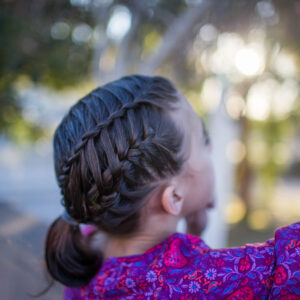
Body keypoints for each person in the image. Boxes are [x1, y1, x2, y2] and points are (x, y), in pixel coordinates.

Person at [44, 74, 300, 299]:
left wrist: (192, 230)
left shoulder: (85, 245)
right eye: (204, 140)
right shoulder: (211, 279)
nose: (211, 149)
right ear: (174, 196)